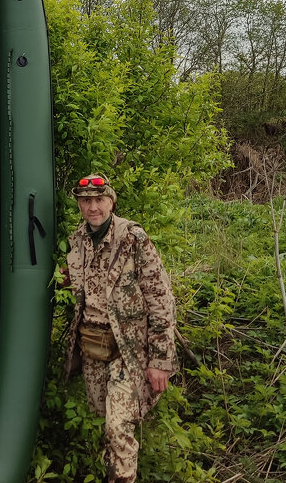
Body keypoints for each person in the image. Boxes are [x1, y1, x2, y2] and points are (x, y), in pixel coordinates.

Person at [63, 172, 177, 483]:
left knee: (119, 426)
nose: (92, 207)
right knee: (106, 429)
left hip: (128, 350)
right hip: (93, 349)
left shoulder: (132, 238)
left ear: (111, 202)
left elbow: (160, 299)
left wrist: (161, 360)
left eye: (99, 200)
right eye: (85, 201)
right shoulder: (76, 241)